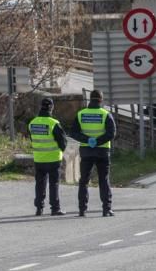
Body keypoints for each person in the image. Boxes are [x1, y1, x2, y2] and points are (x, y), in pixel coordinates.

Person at [70, 89, 116, 217]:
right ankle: (106, 209)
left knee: (84, 180)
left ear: (90, 99)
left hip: (86, 151)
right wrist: (98, 141)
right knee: (104, 179)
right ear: (101, 100)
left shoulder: (81, 114)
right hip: (102, 151)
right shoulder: (106, 114)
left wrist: (88, 140)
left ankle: (82, 210)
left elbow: (73, 132)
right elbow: (111, 133)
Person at [28, 97, 67, 216]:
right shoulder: (54, 123)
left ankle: (39, 208)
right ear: (51, 108)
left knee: (40, 183)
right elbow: (63, 142)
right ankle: (55, 208)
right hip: (53, 159)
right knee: (53, 183)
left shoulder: (32, 123)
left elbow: (32, 139)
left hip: (39, 159)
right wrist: (61, 150)